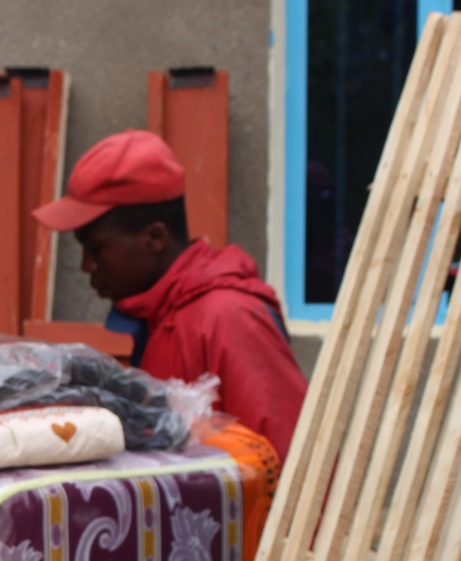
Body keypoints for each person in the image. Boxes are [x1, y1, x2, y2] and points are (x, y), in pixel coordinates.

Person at [33, 130, 307, 461]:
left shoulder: (229, 318)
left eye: (95, 248)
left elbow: (296, 467)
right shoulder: (159, 314)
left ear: (155, 238)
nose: (86, 265)